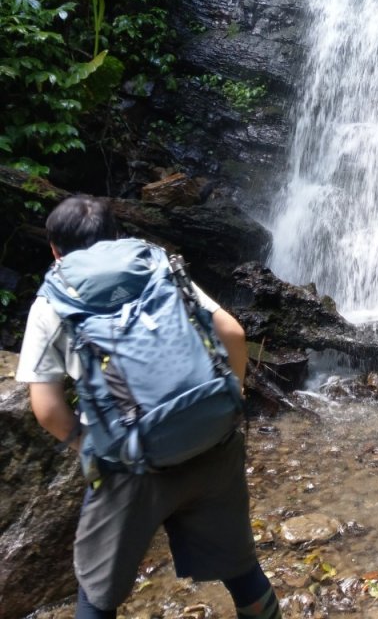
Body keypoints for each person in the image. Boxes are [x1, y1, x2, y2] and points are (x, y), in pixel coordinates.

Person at [16, 194, 282, 619]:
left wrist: (90, 445)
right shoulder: (157, 266)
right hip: (211, 442)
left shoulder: (52, 300)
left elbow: (46, 408)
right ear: (115, 236)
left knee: (97, 595)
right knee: (241, 569)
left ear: (54, 250)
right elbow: (231, 331)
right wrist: (230, 398)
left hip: (130, 466)